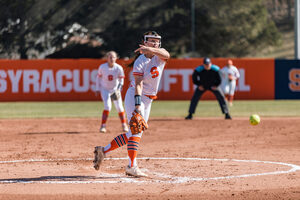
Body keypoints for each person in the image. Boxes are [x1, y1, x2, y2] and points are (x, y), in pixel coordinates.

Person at [93, 31, 170, 177]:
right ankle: (131, 166)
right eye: (151, 41)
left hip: (149, 99)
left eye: (156, 41)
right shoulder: (140, 61)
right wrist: (137, 106)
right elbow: (138, 85)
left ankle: (103, 151)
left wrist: (151, 49)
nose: (154, 43)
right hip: (136, 97)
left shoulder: (160, 56)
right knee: (136, 132)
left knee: (133, 133)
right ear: (144, 42)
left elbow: (167, 54)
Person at [95, 51, 129, 133]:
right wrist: (97, 88)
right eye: (110, 57)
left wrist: (118, 89)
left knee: (120, 107)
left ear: (116, 58)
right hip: (105, 89)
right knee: (107, 107)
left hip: (115, 89)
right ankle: (103, 126)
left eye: (113, 57)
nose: (111, 59)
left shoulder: (118, 68)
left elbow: (121, 80)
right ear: (107, 58)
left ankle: (124, 125)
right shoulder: (102, 67)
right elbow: (98, 78)